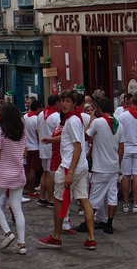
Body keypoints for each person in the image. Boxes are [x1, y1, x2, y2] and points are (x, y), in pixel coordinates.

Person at [39, 90, 95, 250]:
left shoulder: (72, 121)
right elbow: (70, 140)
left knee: (58, 200)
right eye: (63, 101)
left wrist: (70, 172)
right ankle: (91, 238)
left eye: (68, 101)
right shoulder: (74, 119)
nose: (64, 104)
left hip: (69, 167)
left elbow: (77, 147)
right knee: (84, 199)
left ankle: (56, 236)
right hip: (80, 166)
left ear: (75, 104)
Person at [0, 102, 28, 254]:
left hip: (2, 173)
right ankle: (22, 244)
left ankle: (8, 232)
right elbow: (24, 153)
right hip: (18, 173)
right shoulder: (22, 133)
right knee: (17, 207)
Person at [86, 96, 124, 233]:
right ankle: (109, 223)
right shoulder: (118, 124)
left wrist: (91, 120)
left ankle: (87, 222)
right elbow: (121, 147)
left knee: (94, 197)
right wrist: (118, 163)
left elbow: (86, 136)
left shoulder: (98, 123)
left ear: (100, 109)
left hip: (100, 166)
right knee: (112, 195)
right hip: (113, 165)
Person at [37, 94, 61, 208]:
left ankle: (42, 197)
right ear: (56, 103)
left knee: (45, 172)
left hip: (42, 146)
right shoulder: (56, 116)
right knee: (51, 174)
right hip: (52, 147)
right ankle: (51, 199)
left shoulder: (41, 114)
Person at [23, 97, 42, 197]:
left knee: (28, 168)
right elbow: (38, 133)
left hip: (27, 146)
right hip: (35, 147)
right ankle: (31, 189)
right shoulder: (36, 119)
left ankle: (27, 187)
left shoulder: (25, 117)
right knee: (33, 170)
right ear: (38, 108)